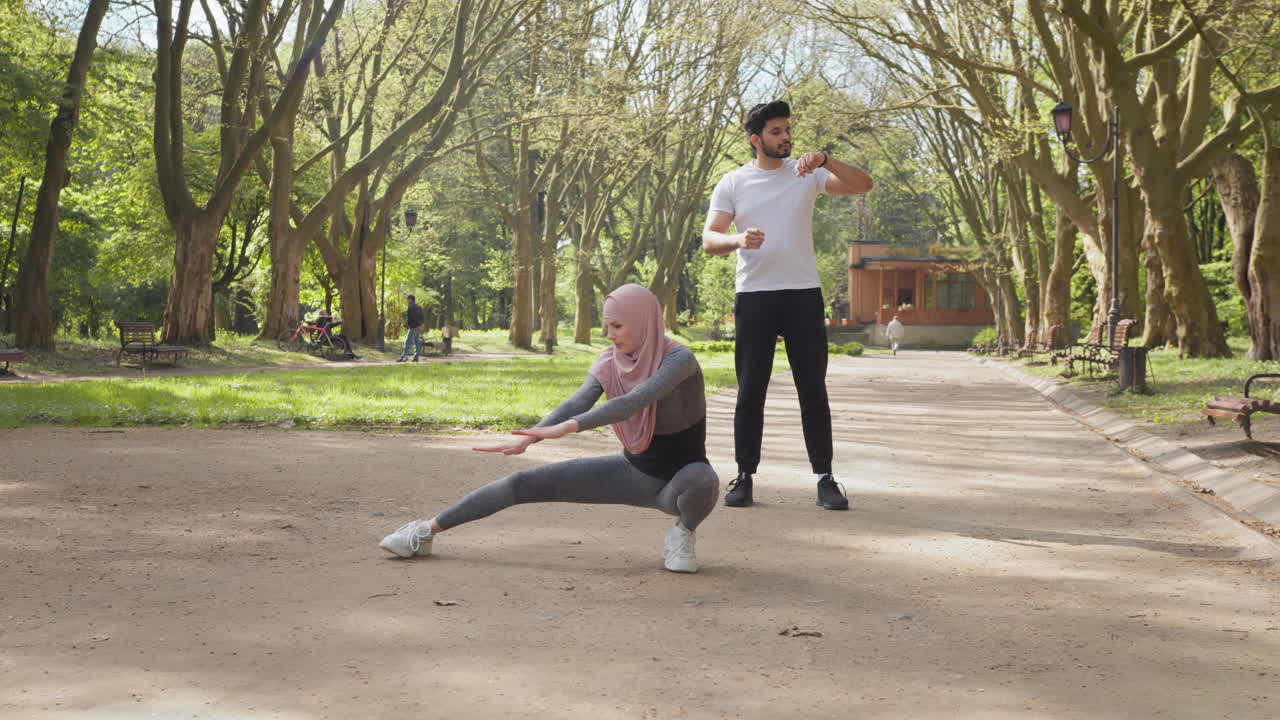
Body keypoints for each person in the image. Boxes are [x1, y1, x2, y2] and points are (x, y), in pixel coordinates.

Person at [378, 284, 719, 573]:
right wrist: (532, 436)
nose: (609, 335)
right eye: (607, 326)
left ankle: (682, 533)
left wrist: (569, 428)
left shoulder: (679, 360)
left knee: (701, 480)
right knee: (522, 483)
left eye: (618, 326)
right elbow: (578, 401)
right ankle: (425, 531)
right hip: (634, 472)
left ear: (643, 322)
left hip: (678, 482)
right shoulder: (608, 361)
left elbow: (636, 401)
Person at [702, 99, 873, 511]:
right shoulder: (733, 182)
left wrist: (827, 160)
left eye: (788, 131)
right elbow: (710, 240)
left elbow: (863, 185)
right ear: (756, 140)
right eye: (777, 132)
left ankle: (825, 478)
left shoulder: (807, 174)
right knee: (750, 391)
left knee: (812, 389)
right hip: (755, 296)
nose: (786, 138)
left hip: (802, 295)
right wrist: (739, 240)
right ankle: (744, 476)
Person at [398, 294, 425, 362]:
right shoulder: (419, 307)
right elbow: (422, 316)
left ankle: (404, 357)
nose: (407, 300)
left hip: (413, 327)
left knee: (408, 342)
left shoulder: (411, 307)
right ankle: (416, 357)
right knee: (416, 342)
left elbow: (412, 317)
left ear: (410, 299)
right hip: (419, 327)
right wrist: (421, 324)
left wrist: (412, 324)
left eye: (408, 299)